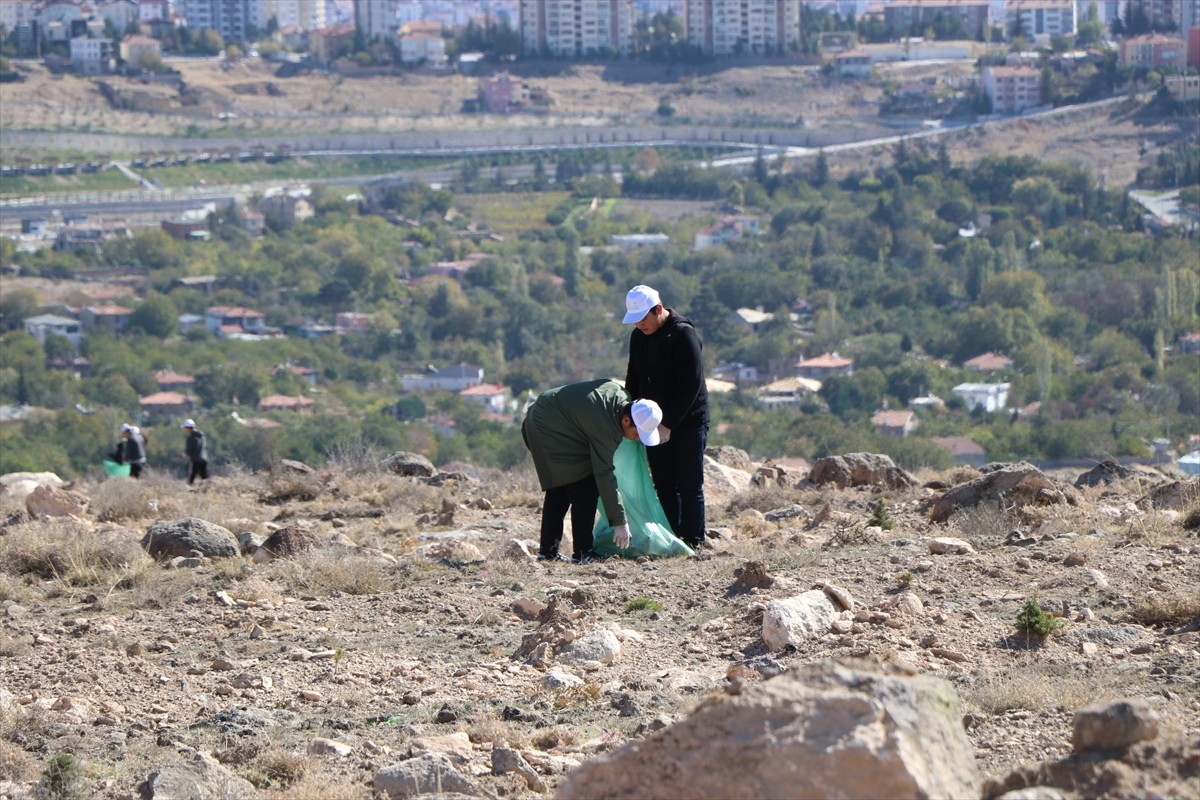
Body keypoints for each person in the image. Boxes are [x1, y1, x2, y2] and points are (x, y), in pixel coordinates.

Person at [522, 379, 664, 563]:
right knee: (585, 486)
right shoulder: (605, 426)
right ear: (626, 420)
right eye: (637, 434)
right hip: (546, 427)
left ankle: (548, 553)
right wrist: (619, 522)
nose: (637, 439)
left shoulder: (622, 397)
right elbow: (604, 473)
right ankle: (584, 553)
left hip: (544, 416)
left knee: (561, 488)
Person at [623, 284, 711, 550]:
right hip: (651, 422)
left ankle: (694, 540)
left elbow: (691, 385)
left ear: (658, 310)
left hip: (688, 420)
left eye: (643, 319)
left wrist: (668, 424)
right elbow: (634, 378)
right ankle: (672, 539)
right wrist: (630, 416)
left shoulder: (683, 334)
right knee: (664, 483)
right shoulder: (638, 336)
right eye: (635, 320)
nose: (639, 324)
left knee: (689, 482)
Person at [182, 419, 208, 484]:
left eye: (185, 428)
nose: (185, 430)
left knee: (192, 476)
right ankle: (208, 489)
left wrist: (185, 454)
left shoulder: (191, 437)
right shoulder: (202, 436)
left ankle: (190, 489)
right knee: (204, 476)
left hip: (196, 460)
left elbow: (189, 450)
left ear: (188, 428)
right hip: (204, 458)